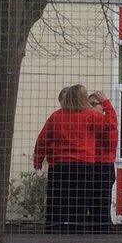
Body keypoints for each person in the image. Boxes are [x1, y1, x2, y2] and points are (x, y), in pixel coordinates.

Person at [34, 85, 114, 233]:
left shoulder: (56, 116)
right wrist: (106, 103)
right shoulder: (90, 116)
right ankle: (77, 231)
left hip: (59, 165)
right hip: (83, 165)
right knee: (80, 202)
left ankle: (54, 230)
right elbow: (110, 125)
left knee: (57, 201)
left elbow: (43, 138)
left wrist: (38, 159)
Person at [89, 90, 119, 233]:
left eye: (94, 104)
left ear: (102, 107)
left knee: (102, 199)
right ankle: (96, 227)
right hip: (90, 164)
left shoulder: (107, 124)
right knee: (92, 199)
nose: (91, 108)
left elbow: (111, 144)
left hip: (104, 165)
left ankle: (104, 228)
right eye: (89, 105)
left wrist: (107, 104)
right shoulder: (89, 121)